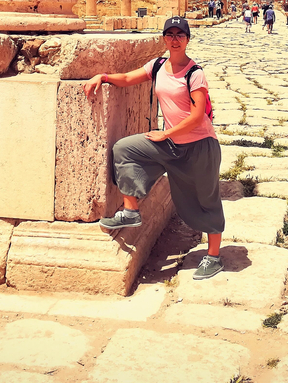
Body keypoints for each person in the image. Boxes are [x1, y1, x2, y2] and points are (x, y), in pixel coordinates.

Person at [83, 17, 225, 280]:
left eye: (179, 35)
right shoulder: (158, 65)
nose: (174, 39)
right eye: (169, 34)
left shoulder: (195, 73)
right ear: (164, 39)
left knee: (207, 199)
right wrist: (101, 76)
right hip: (171, 144)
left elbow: (196, 116)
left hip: (199, 146)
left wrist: (166, 133)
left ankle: (214, 256)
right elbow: (127, 78)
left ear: (187, 39)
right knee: (125, 149)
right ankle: (130, 211)